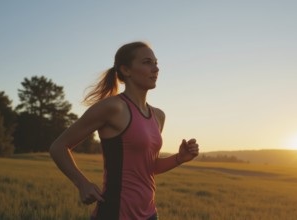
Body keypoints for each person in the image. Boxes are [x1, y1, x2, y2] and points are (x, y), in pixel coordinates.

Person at [49, 41, 199, 220]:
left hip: (150, 214)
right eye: (147, 62)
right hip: (116, 213)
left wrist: (179, 158)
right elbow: (59, 147)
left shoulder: (158, 116)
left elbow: (148, 167)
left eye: (156, 63)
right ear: (126, 70)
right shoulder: (113, 108)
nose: (155, 69)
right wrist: (82, 184)